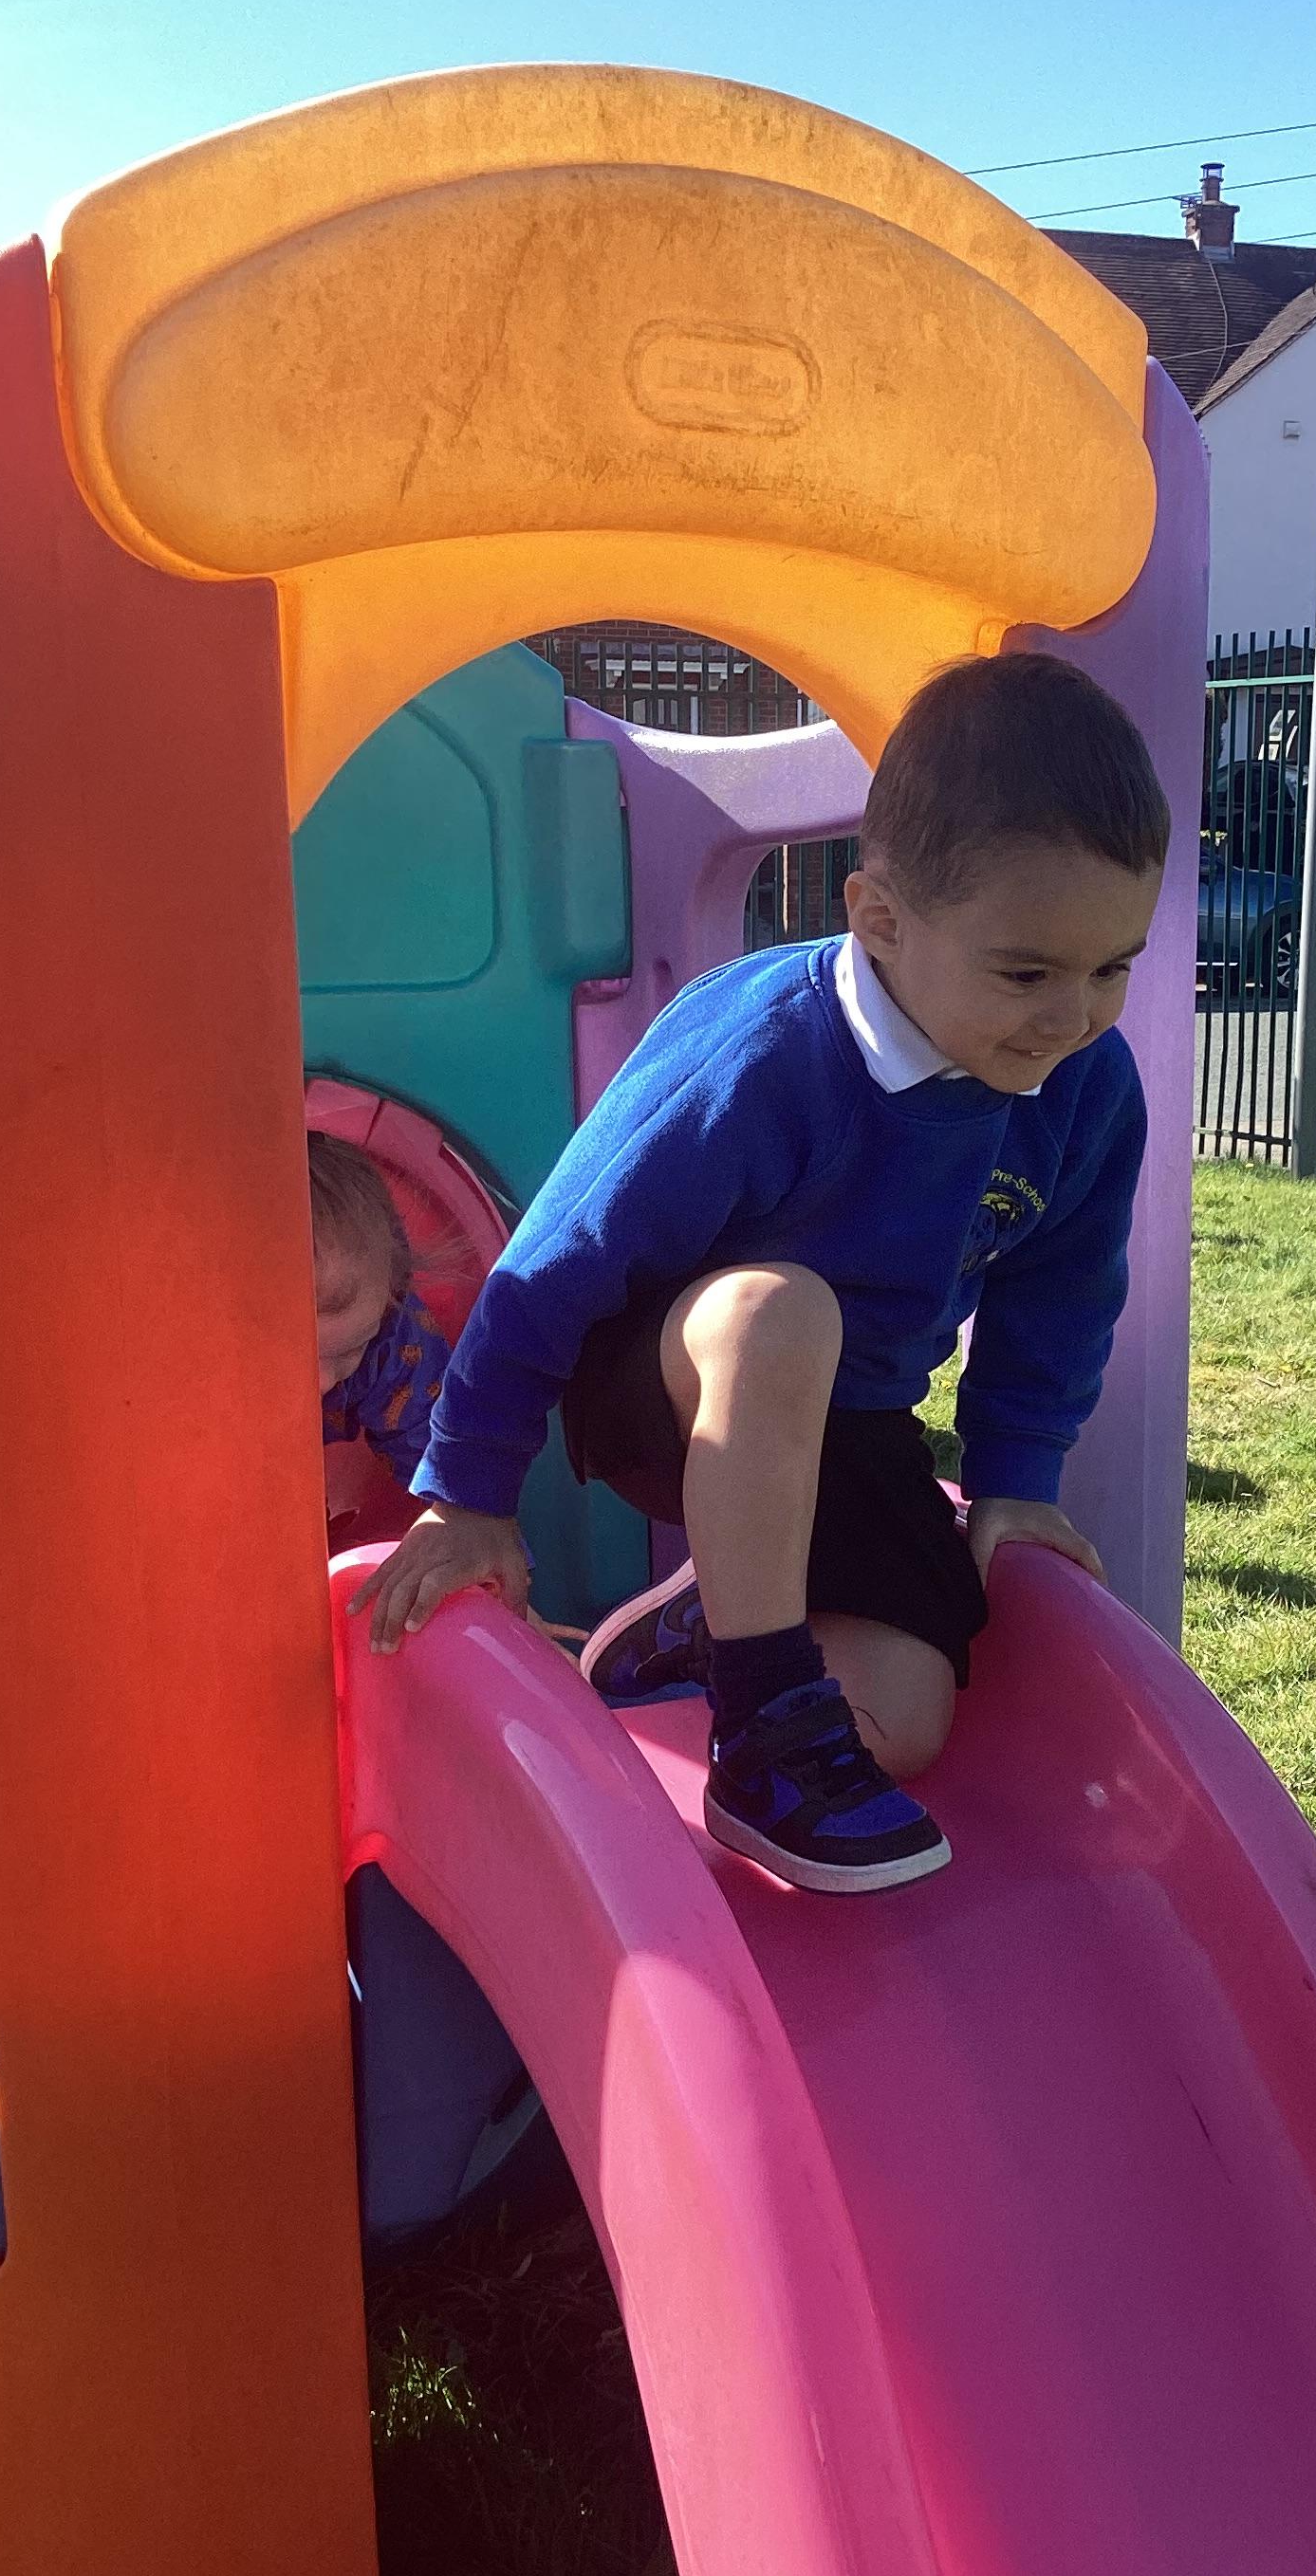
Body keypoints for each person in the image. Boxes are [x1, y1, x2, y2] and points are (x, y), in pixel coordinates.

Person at [352, 653, 1168, 1895]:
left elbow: (1059, 1295)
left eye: (1113, 967)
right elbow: (554, 1260)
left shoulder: (1082, 1091)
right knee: (779, 1311)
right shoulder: (766, 1054)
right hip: (662, 1372)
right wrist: (468, 1494)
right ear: (880, 920)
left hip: (846, 1416)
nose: (1075, 1016)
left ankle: (708, 1629)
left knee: (906, 1718)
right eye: (1027, 973)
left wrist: (1015, 1479)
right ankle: (766, 1740)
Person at [311, 1131, 450, 1484]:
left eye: (350, 1350)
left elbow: (434, 1442)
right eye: (300, 1360)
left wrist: (450, 1504)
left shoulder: (393, 1336)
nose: (323, 1381)